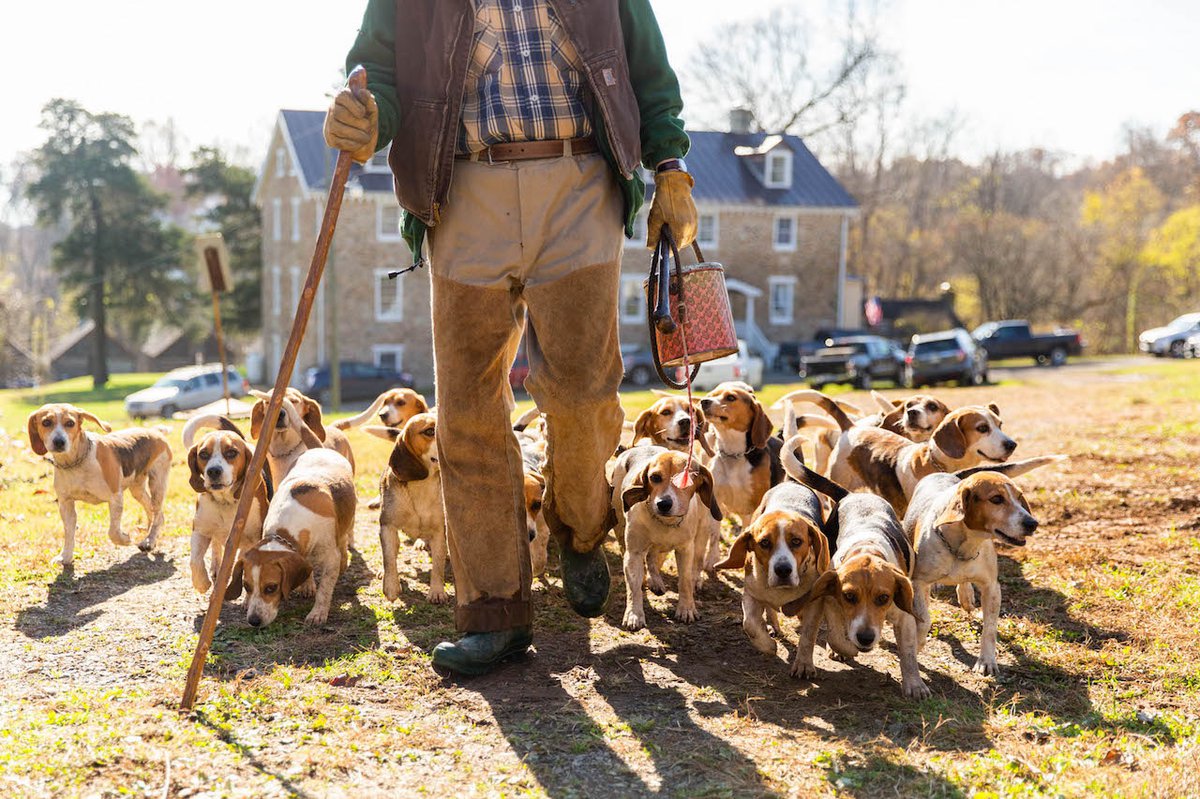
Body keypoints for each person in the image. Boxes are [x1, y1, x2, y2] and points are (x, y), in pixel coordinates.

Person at [324, 0, 697, 675]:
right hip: (463, 187)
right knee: (467, 414)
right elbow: (377, 68)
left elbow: (645, 59)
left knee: (584, 395)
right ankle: (493, 612)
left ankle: (581, 530)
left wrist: (670, 164)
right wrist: (365, 116)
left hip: (579, 181)